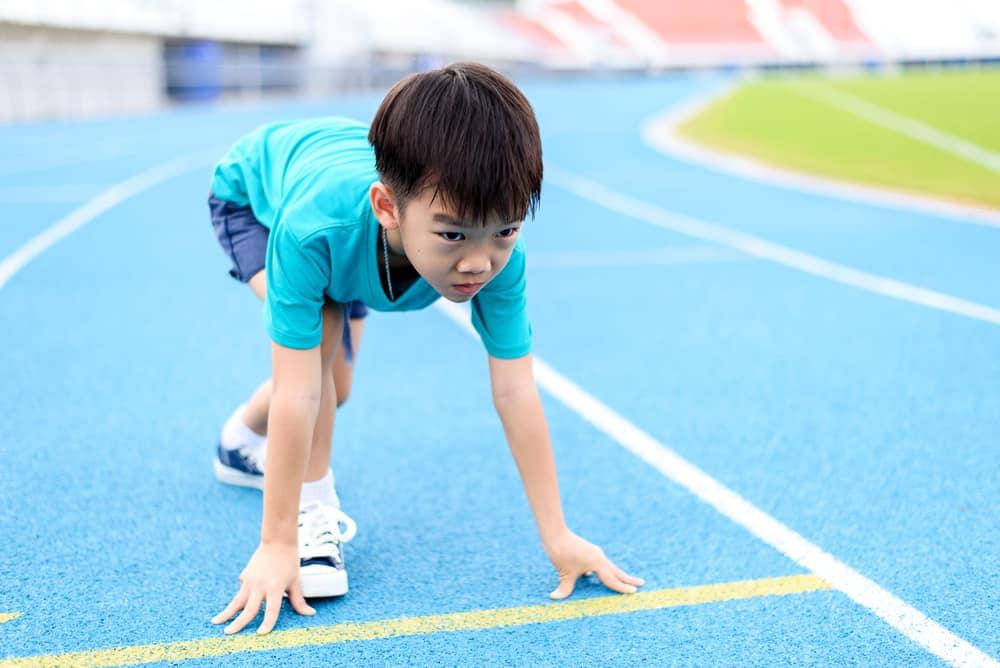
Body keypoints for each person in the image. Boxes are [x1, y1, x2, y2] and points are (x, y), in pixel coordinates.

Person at [207, 62, 644, 636]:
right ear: (388, 207)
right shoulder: (314, 228)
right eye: (453, 235)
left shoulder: (496, 262)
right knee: (320, 354)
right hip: (256, 203)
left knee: (337, 388)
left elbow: (515, 390)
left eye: (505, 232)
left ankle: (238, 442)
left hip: (351, 229)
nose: (477, 263)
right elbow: (296, 390)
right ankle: (313, 513)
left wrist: (557, 535)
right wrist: (275, 542)